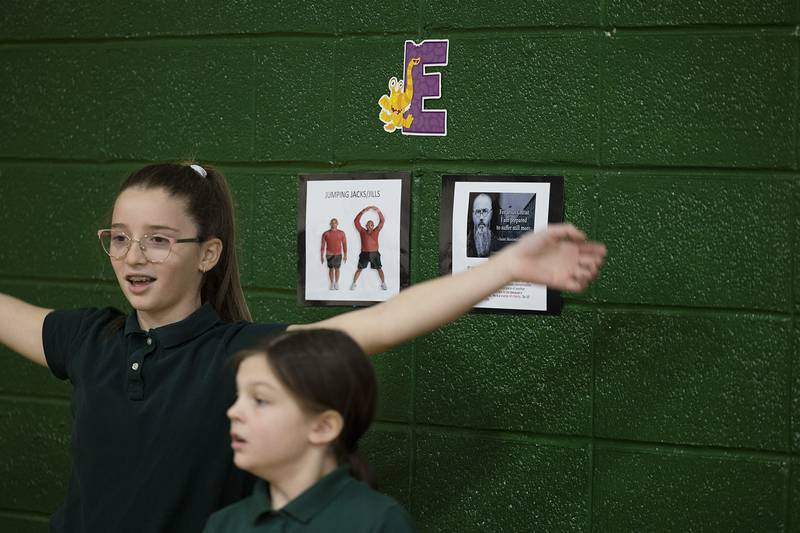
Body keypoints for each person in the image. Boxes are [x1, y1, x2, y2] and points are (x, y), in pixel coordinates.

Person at [0, 161, 606, 533]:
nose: (134, 257)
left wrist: (503, 267)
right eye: (120, 238)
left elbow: (385, 321)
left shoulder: (242, 355)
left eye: (159, 240)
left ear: (206, 254)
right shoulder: (88, 339)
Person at [203, 329, 415, 532]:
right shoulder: (224, 524)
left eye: (260, 400)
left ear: (323, 427)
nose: (233, 412)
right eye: (237, 397)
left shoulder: (380, 520)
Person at [350, 205, 386, 290]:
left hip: (375, 254)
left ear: (373, 226)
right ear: (366, 225)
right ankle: (354, 283)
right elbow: (356, 221)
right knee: (359, 269)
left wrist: (378, 211)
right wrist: (363, 211)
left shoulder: (376, 231)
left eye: (372, 224)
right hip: (364, 253)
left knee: (379, 269)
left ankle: (383, 283)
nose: (370, 226)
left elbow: (382, 221)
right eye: (368, 224)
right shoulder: (362, 231)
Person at [467, 193, 498, 258]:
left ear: (491, 214)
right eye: (478, 212)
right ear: (473, 216)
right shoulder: (466, 243)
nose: (481, 217)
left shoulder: (498, 243)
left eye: (484, 211)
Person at [320, 218, 347, 290]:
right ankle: (332, 283)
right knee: (331, 269)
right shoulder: (326, 233)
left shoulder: (341, 233)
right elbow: (322, 245)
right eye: (332, 222)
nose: (333, 224)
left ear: (337, 224)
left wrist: (345, 255)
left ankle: (336, 282)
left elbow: (344, 244)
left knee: (337, 269)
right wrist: (321, 256)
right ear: (330, 224)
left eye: (335, 222)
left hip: (338, 254)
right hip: (329, 254)